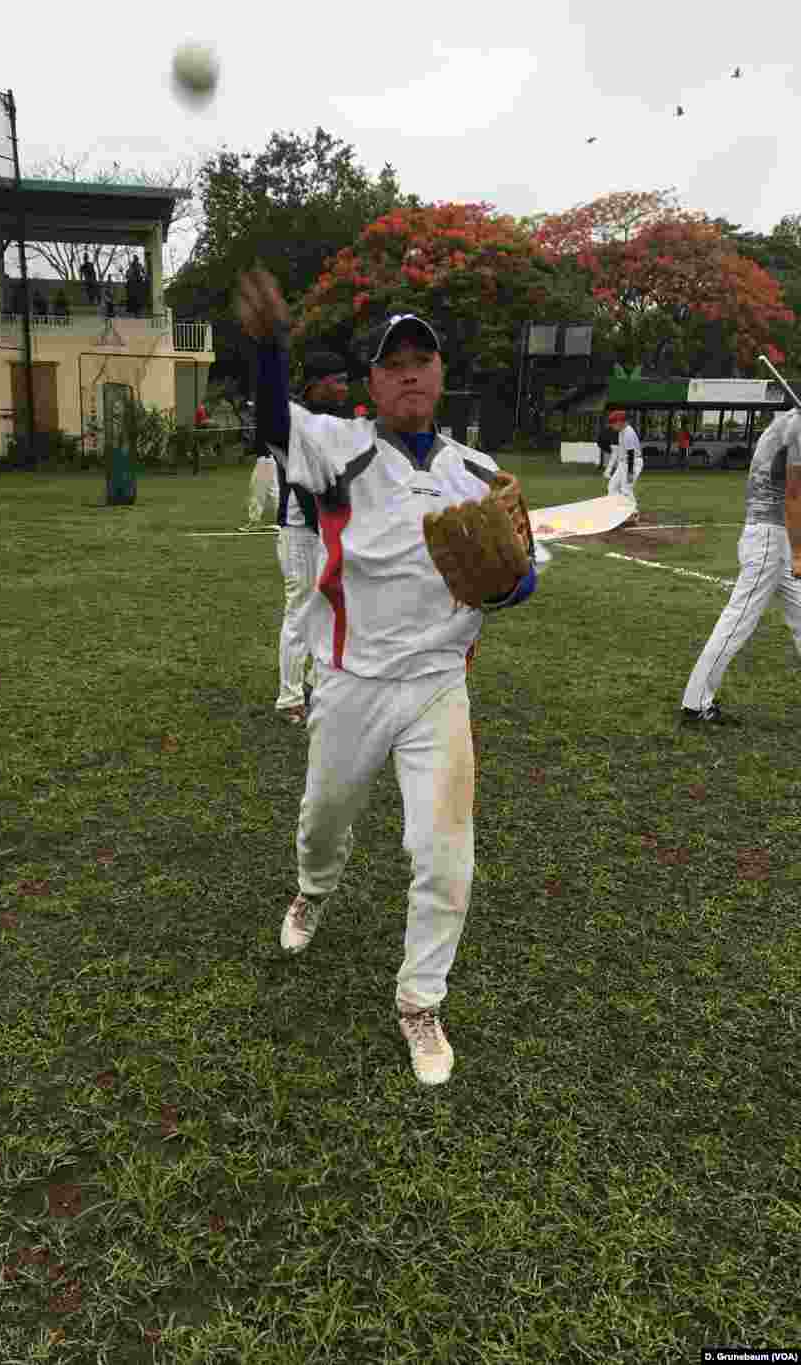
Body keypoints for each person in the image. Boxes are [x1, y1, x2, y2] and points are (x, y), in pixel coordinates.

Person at [236, 268, 540, 1087]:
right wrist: (270, 350)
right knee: (323, 820)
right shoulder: (340, 445)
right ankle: (311, 890)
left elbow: (524, 574)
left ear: (441, 376)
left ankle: (419, 1001)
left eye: (422, 358)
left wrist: (512, 581)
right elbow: (273, 421)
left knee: (444, 850)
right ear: (373, 381)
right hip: (349, 679)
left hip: (437, 681)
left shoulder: (476, 471)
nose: (409, 370)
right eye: (393, 360)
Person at [680, 406, 801, 725]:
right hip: (769, 540)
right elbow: (793, 496)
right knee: (737, 621)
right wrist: (800, 553)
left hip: (775, 538)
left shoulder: (786, 422)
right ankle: (695, 702)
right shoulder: (796, 428)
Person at [271, 350, 351, 725]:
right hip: (301, 528)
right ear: (317, 385)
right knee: (300, 611)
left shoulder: (334, 421)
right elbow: (302, 483)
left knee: (326, 611)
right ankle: (289, 698)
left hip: (325, 528)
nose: (343, 389)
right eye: (337, 381)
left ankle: (315, 684)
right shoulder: (294, 420)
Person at [603, 409, 643, 521]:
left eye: (613, 424)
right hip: (624, 463)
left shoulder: (628, 433)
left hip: (633, 463)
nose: (611, 426)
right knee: (612, 486)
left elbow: (631, 453)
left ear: (620, 422)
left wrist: (630, 473)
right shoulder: (622, 432)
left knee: (626, 488)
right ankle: (617, 510)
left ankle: (633, 513)